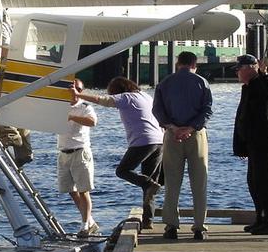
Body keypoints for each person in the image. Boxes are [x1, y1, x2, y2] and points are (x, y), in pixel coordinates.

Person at [74, 76, 164, 230]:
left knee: (122, 171)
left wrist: (79, 94)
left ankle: (149, 185)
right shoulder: (145, 96)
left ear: (118, 90)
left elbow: (102, 99)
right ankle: (148, 221)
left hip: (143, 141)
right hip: (159, 141)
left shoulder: (126, 97)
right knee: (148, 186)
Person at [152, 51, 213, 241]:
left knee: (172, 182)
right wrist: (191, 128)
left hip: (172, 135)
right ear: (195, 64)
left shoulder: (165, 83)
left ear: (178, 63)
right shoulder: (202, 82)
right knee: (199, 183)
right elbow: (207, 110)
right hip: (196, 135)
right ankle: (199, 228)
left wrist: (174, 127)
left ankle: (171, 226)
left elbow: (157, 110)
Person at [233, 54, 268, 235]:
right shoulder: (248, 87)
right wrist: (240, 145)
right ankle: (261, 218)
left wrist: (264, 72)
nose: (237, 72)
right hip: (253, 142)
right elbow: (243, 116)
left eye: (240, 68)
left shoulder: (265, 82)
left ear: (251, 68)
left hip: (266, 141)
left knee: (267, 182)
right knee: (254, 182)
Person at [58, 78, 99, 236]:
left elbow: (92, 122)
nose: (74, 92)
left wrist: (72, 117)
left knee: (84, 190)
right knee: (70, 190)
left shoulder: (84, 106)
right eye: (71, 89)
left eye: (77, 89)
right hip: (63, 152)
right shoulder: (59, 107)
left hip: (80, 151)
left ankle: (85, 225)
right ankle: (90, 221)